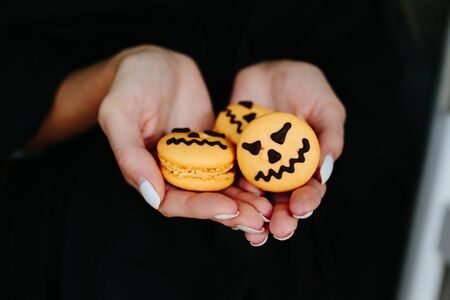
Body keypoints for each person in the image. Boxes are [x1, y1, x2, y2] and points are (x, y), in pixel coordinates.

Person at [2, 1, 412, 299]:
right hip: (73, 242)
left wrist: (320, 90)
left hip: (292, 264)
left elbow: (371, 69)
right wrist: (108, 80)